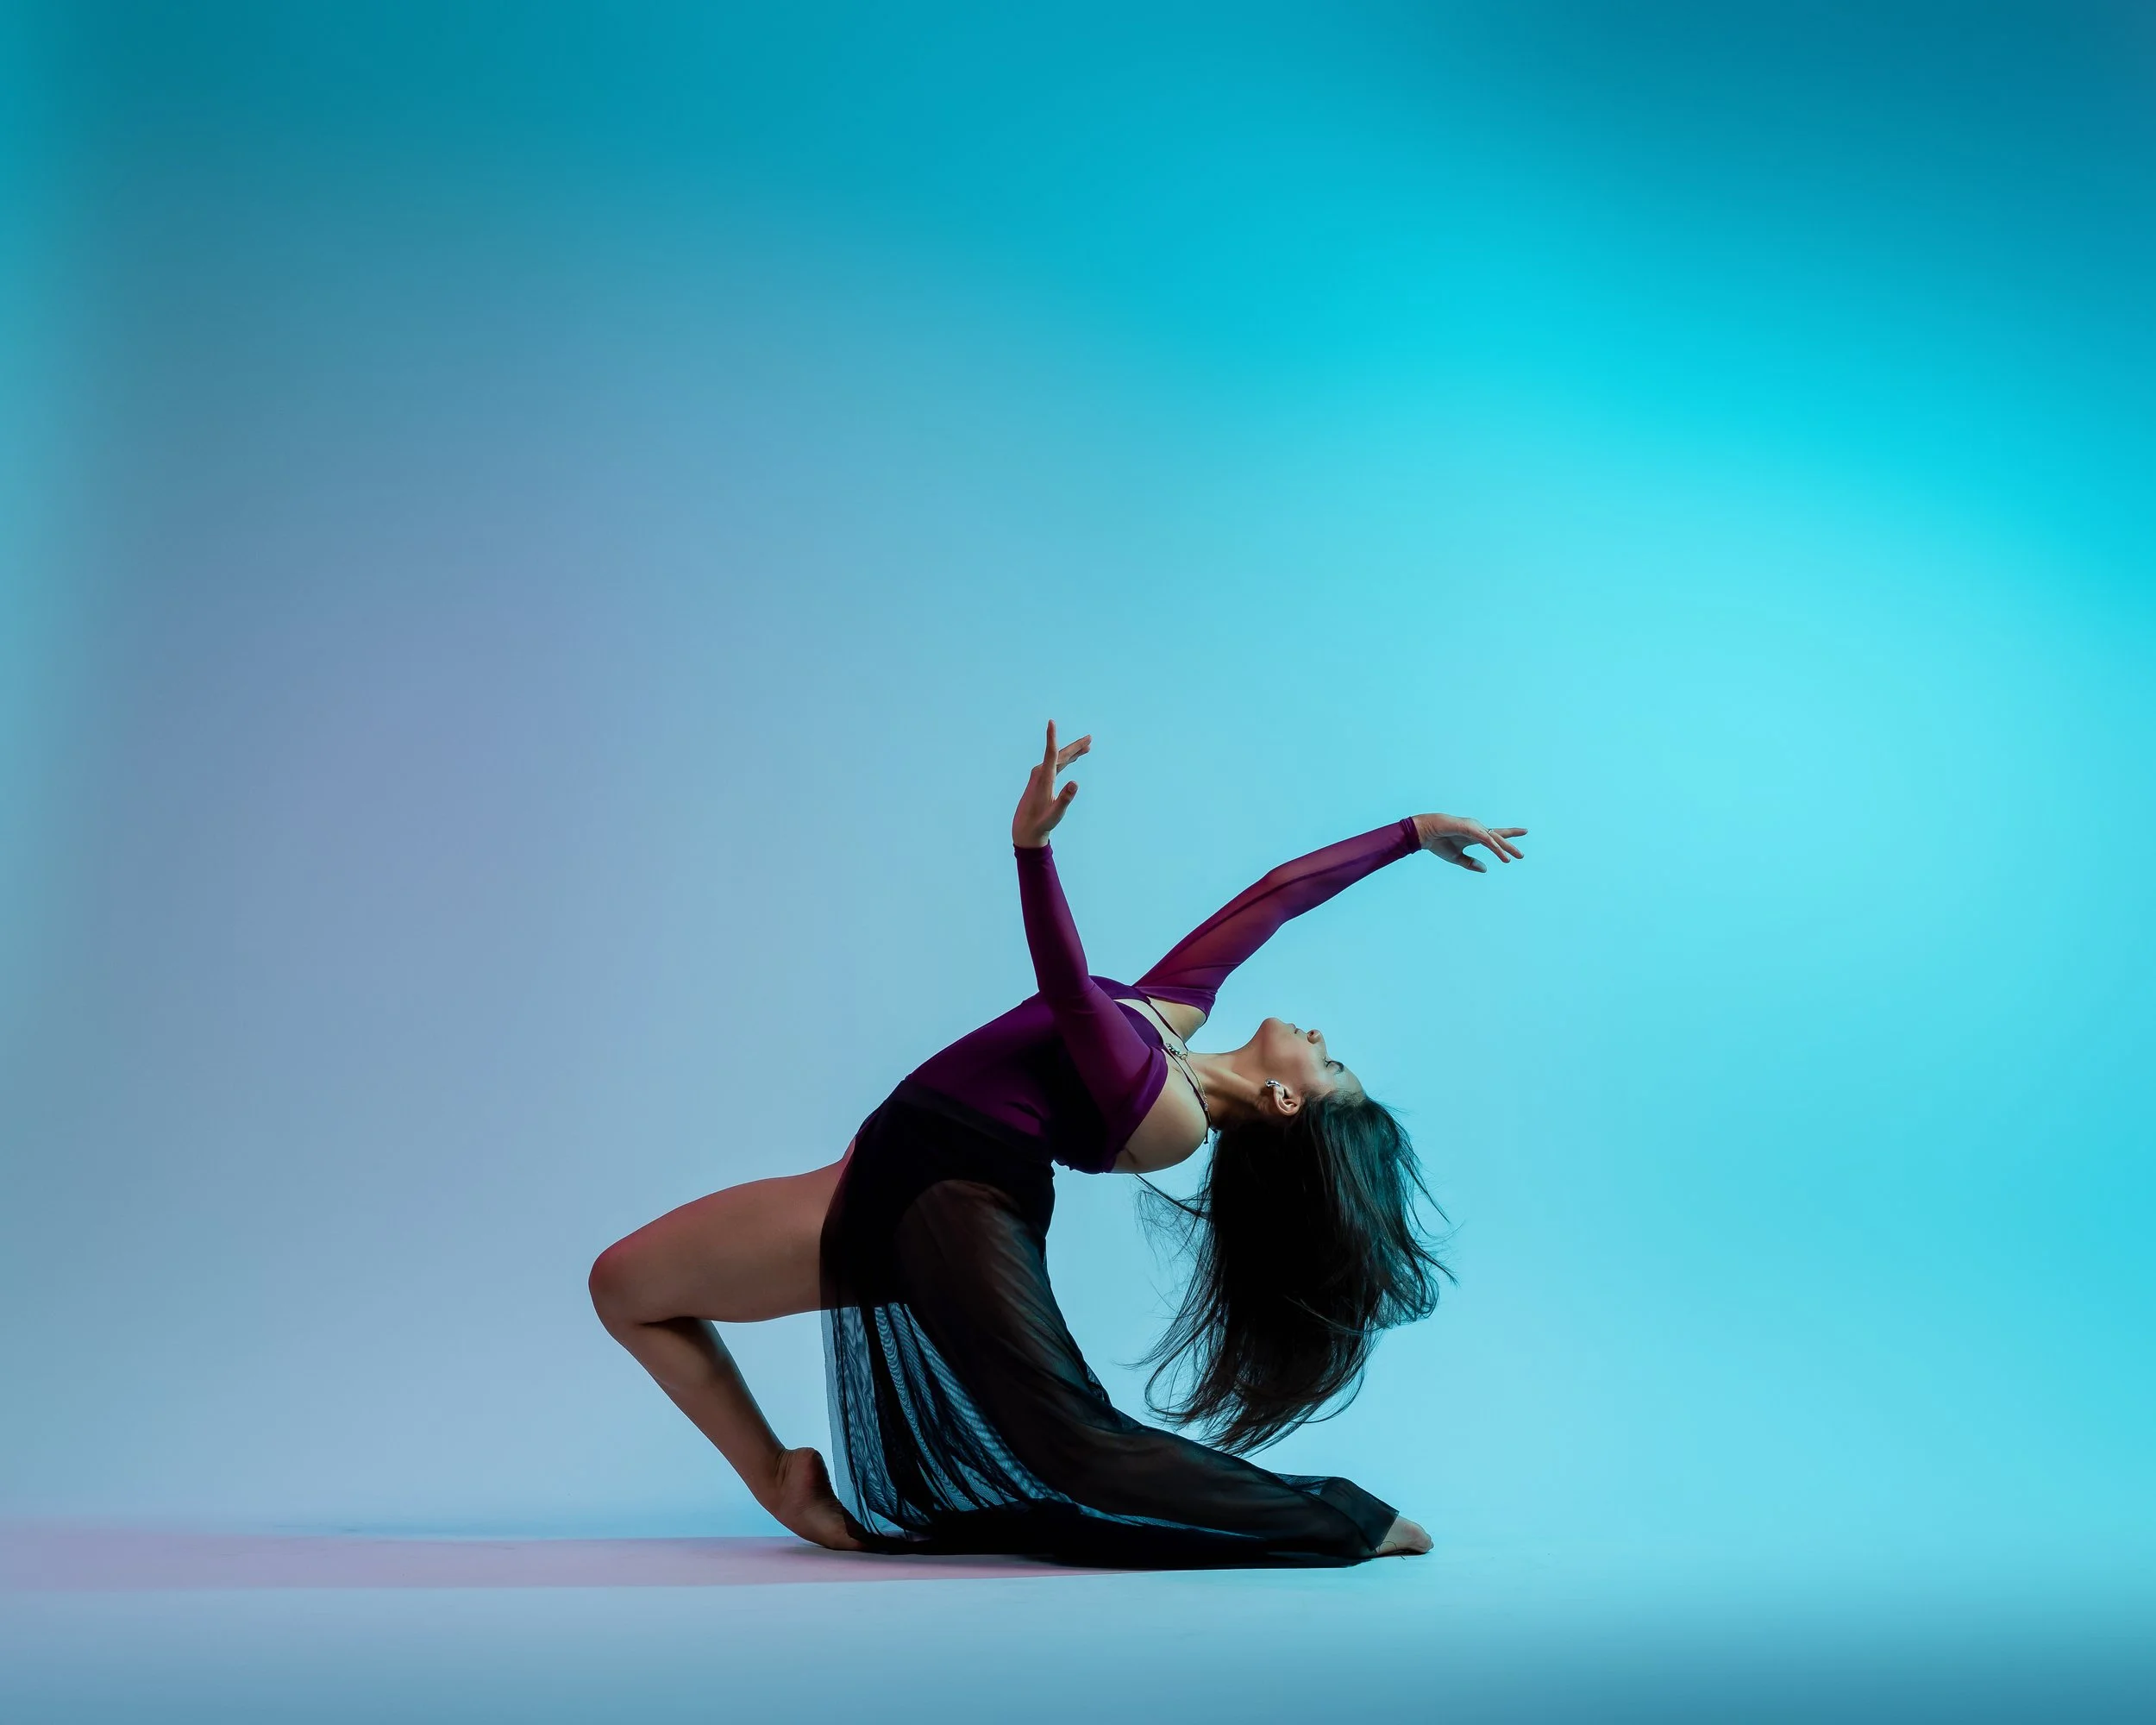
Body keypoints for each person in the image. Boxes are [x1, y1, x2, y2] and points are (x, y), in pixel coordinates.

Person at [589, 724, 1526, 1566]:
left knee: (1074, 1443)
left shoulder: (1170, 1115)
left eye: (1331, 1064)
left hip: (948, 1200)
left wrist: (1031, 854)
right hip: (881, 1170)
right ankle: (781, 1484)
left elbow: (1072, 993)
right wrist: (1412, 832)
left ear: (1285, 1100)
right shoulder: (1173, 1019)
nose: (1321, 1037)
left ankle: (1347, 1520)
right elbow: (1274, 898)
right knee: (625, 1284)